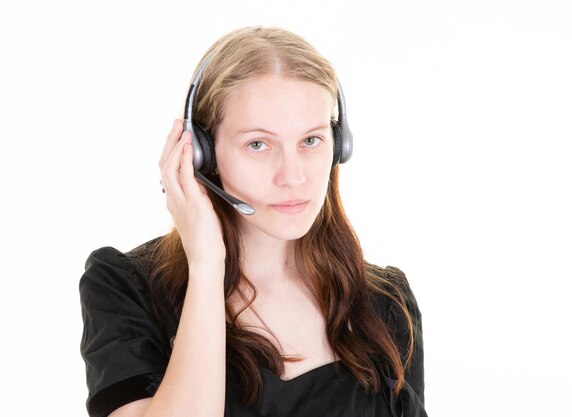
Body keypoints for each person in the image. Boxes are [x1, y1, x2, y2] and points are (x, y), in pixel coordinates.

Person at [79, 26, 427, 417]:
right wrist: (207, 265)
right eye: (258, 144)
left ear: (338, 144)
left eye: (311, 140)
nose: (292, 176)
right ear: (201, 155)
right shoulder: (126, 287)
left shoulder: (385, 301)